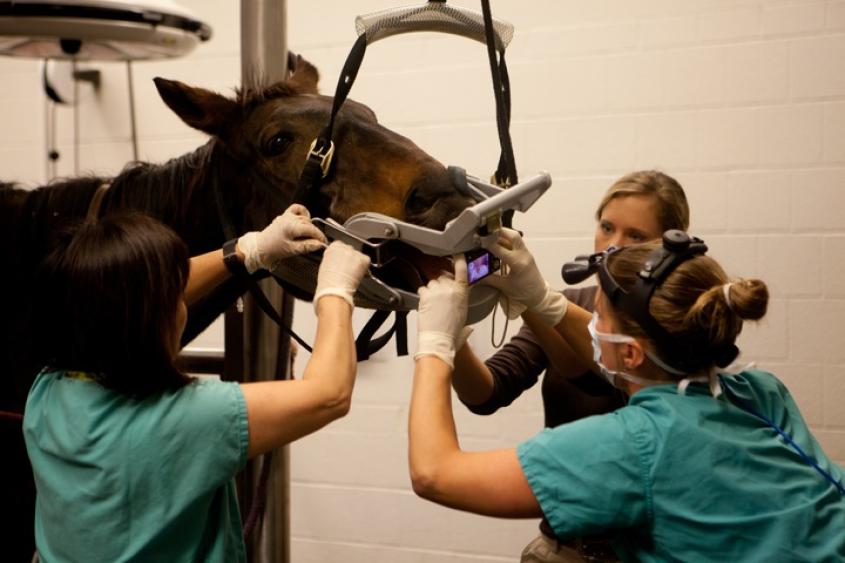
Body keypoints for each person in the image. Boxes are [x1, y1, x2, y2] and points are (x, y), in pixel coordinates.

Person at [408, 230, 845, 562]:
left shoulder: (630, 446)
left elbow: (434, 473)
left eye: (597, 316)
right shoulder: (764, 392)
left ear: (632, 353)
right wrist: (542, 300)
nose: (591, 325)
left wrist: (434, 342)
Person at [23, 206, 370, 562]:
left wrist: (248, 252)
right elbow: (330, 394)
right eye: (173, 295)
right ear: (147, 317)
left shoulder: (48, 390)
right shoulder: (185, 417)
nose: (181, 302)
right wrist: (335, 292)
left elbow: (121, 299)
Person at [451, 170, 689, 561]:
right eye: (607, 227)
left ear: (671, 244)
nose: (613, 246)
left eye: (635, 236)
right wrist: (451, 334)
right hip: (562, 548)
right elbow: (488, 393)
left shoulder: (679, 320)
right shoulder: (573, 298)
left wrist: (541, 303)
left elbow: (608, 377)